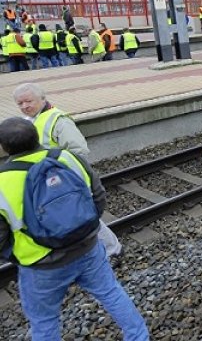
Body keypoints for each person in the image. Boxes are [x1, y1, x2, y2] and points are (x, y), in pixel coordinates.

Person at [0, 118, 149, 340]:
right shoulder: (68, 157)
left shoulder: (3, 181)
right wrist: (87, 230)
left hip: (40, 264)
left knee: (44, 321)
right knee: (111, 293)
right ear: (36, 136)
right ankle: (139, 337)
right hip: (88, 248)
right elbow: (98, 196)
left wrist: (16, 255)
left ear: (4, 147)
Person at [13, 82, 124, 259]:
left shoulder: (58, 119)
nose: (25, 106)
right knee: (71, 216)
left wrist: (64, 175)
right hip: (44, 182)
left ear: (42, 99)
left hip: (63, 179)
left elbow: (79, 151)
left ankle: (113, 250)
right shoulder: (27, 122)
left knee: (82, 215)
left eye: (28, 101)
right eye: (20, 103)